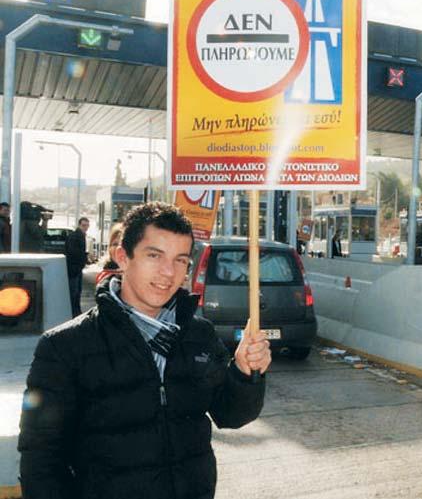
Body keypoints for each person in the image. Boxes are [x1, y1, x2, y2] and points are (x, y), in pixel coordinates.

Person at [18, 202, 270, 499]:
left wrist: (244, 373)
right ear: (123, 257)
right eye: (154, 255)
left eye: (180, 260)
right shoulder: (65, 347)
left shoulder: (198, 334)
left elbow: (231, 414)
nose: (168, 272)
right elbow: (40, 461)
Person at [64, 217, 91, 317]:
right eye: (84, 225)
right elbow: (72, 252)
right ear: (79, 225)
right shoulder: (76, 236)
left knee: (77, 291)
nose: (85, 228)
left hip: (76, 268)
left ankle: (76, 312)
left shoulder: (79, 235)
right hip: (73, 268)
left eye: (87, 226)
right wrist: (84, 256)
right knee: (74, 292)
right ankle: (74, 312)